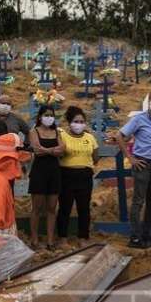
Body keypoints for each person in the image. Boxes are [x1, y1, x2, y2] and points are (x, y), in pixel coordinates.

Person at [117, 92, 151, 249]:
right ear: (149, 102)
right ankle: (135, 237)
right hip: (142, 164)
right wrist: (130, 158)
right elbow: (120, 135)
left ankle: (145, 234)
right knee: (139, 201)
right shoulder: (139, 119)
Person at [57, 106, 99, 246]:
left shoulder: (90, 137)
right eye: (76, 121)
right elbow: (60, 153)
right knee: (65, 207)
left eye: (82, 121)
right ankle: (63, 237)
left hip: (85, 175)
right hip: (67, 175)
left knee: (84, 208)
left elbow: (96, 157)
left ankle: (83, 237)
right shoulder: (62, 135)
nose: (79, 124)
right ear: (70, 122)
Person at [28, 106, 64, 249]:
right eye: (46, 115)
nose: (49, 117)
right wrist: (53, 151)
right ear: (40, 117)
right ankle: (34, 238)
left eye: (51, 115)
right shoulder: (34, 131)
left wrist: (46, 150)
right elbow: (37, 151)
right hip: (39, 172)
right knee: (37, 207)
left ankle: (50, 240)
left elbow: (62, 150)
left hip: (54, 172)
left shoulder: (57, 132)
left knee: (51, 207)